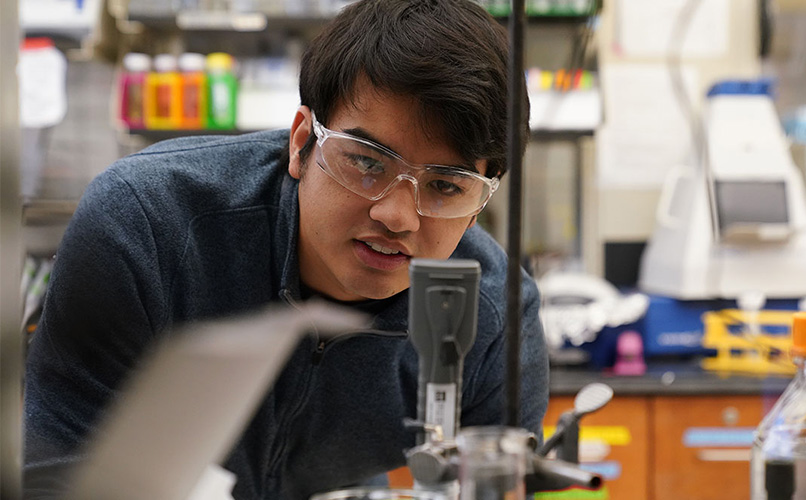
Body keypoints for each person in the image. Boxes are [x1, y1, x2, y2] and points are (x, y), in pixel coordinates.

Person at [23, 1, 549, 498]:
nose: (397, 216)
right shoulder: (146, 226)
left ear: (478, 204)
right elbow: (51, 472)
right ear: (302, 141)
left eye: (446, 186)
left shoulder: (492, 312)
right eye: (367, 162)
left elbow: (499, 481)